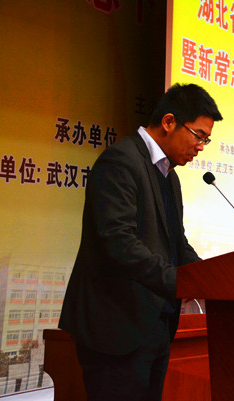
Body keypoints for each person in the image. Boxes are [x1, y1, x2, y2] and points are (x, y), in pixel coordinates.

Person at [59, 83, 223, 401]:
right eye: (199, 135)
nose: (201, 146)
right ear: (169, 122)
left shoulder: (170, 176)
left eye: (206, 139)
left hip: (154, 328)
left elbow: (177, 244)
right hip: (115, 330)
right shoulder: (121, 161)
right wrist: (179, 282)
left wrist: (213, 279)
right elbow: (118, 242)